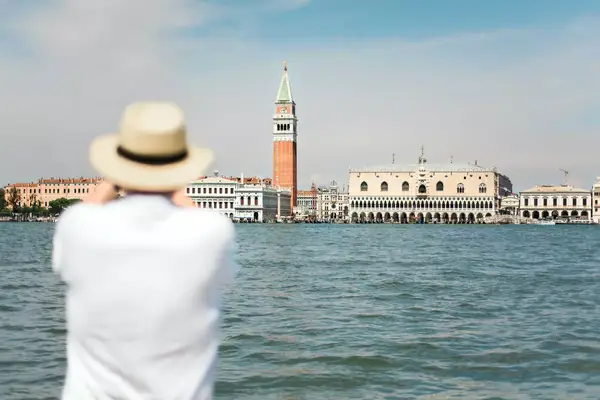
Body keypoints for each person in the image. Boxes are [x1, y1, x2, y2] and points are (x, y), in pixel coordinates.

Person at [52, 102, 238, 399]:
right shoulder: (211, 233)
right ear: (181, 168)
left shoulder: (77, 228)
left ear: (120, 166)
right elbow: (194, 212)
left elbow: (92, 202)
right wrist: (173, 178)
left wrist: (117, 177)